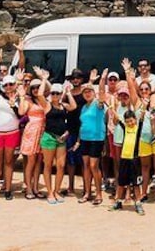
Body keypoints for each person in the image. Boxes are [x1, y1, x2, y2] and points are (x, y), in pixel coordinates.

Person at [0, 74, 21, 202]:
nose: (8, 87)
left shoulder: (19, 98)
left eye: (11, 84)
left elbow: (20, 115)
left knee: (9, 162)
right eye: (6, 85)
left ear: (15, 85)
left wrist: (13, 105)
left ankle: (7, 189)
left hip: (12, 132)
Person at [77, 68, 109, 205]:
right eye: (85, 92)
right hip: (84, 139)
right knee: (85, 166)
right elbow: (82, 124)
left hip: (96, 139)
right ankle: (87, 193)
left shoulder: (98, 104)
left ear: (93, 92)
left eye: (89, 91)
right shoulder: (84, 107)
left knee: (93, 166)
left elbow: (102, 94)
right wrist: (78, 140)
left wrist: (102, 80)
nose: (87, 94)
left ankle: (99, 194)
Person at [41, 83, 77, 204]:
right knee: (48, 165)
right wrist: (44, 80)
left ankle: (56, 190)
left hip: (61, 139)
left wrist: (68, 92)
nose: (55, 95)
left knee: (61, 165)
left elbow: (74, 106)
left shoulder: (63, 105)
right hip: (49, 137)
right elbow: (40, 94)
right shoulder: (47, 105)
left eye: (57, 93)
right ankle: (50, 192)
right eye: (53, 93)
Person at [19, 67, 50, 199]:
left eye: (38, 87)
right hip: (32, 132)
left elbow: (48, 88)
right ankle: (29, 189)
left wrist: (44, 78)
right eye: (34, 88)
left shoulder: (43, 100)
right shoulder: (28, 100)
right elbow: (21, 112)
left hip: (42, 131)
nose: (36, 90)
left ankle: (36, 187)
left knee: (38, 162)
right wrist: (21, 96)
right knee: (30, 161)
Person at [110, 109, 146, 215]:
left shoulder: (137, 128)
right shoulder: (125, 128)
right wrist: (111, 108)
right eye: (128, 121)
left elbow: (142, 117)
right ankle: (118, 202)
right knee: (121, 183)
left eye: (132, 121)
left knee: (135, 184)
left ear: (135, 119)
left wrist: (144, 108)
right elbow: (118, 118)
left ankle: (138, 203)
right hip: (124, 158)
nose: (130, 123)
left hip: (134, 160)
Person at [62, 68, 89, 197]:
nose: (76, 80)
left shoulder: (85, 92)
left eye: (78, 77)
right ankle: (71, 187)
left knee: (85, 161)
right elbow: (62, 105)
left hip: (84, 129)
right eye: (73, 78)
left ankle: (86, 189)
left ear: (82, 79)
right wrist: (65, 93)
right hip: (71, 129)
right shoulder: (68, 93)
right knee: (71, 161)